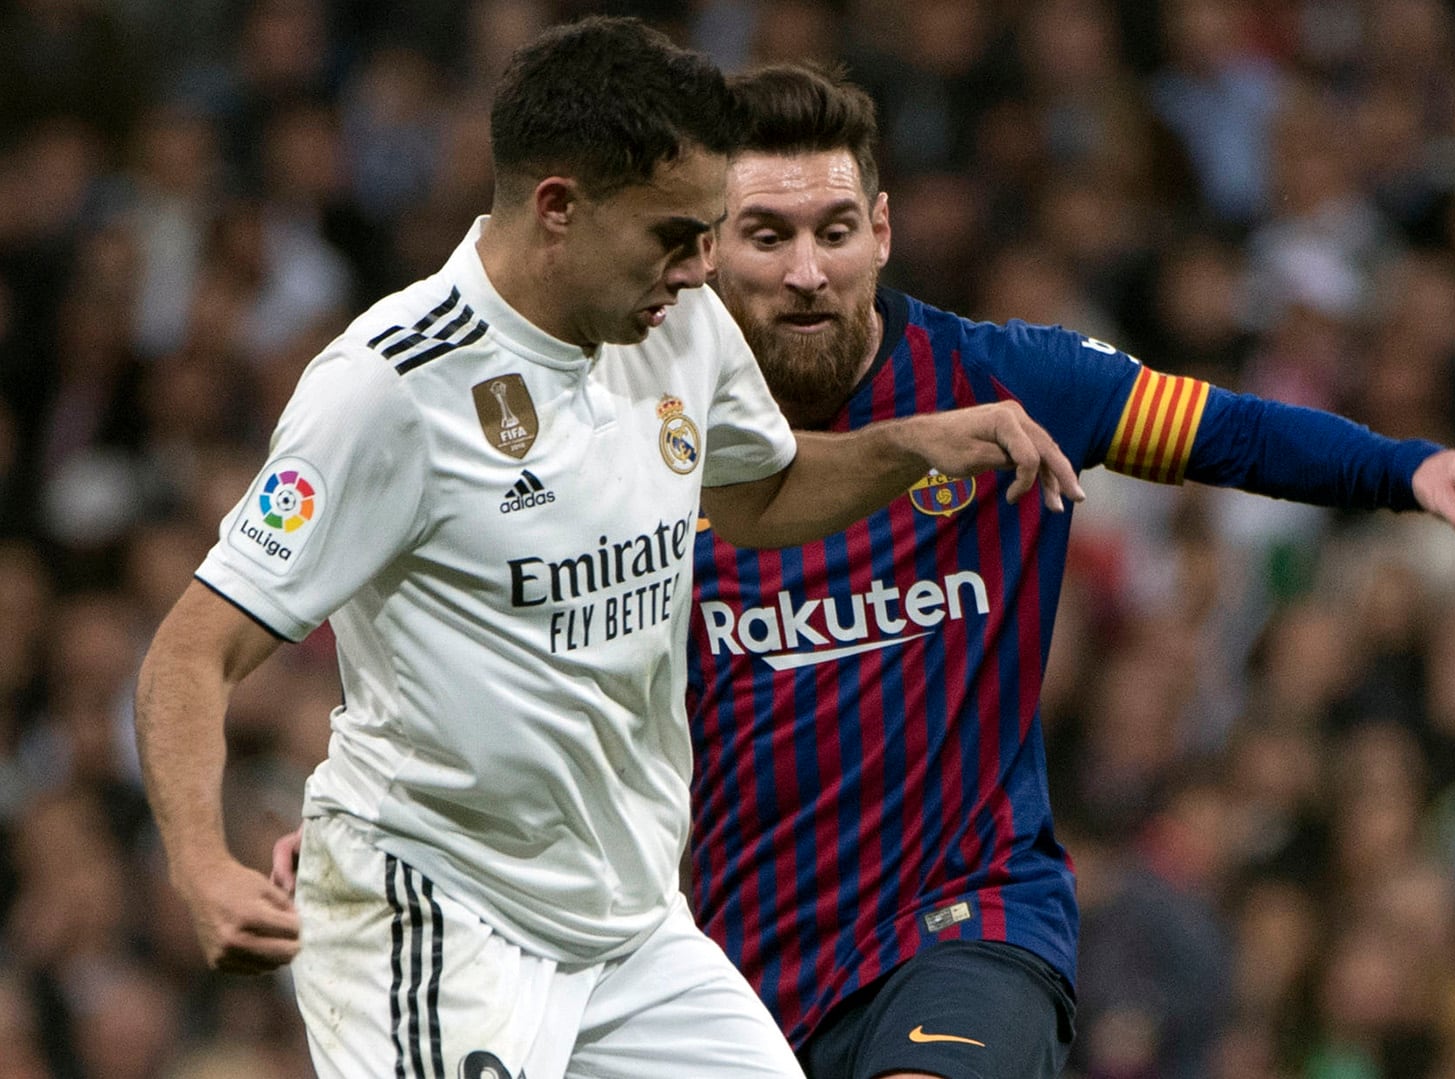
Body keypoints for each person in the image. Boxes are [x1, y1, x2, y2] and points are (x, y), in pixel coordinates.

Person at [135, 20, 1080, 1079]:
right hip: (440, 918)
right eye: (675, 235)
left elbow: (758, 491)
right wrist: (200, 866)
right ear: (558, 208)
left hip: (629, 927)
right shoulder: (387, 389)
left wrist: (908, 447)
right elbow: (190, 650)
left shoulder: (675, 324)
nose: (702, 265)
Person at [682, 64, 1455, 1079]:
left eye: (836, 229)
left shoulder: (1007, 382)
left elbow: (1227, 431)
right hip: (733, 957)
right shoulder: (646, 433)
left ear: (883, 231)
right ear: (709, 244)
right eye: (769, 234)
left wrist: (1406, 464)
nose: (809, 268)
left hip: (960, 922)